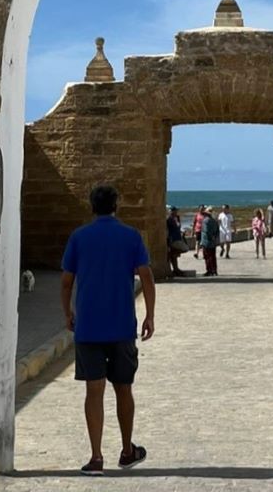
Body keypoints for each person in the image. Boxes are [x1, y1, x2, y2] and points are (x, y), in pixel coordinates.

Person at [61, 185, 155, 476]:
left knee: (94, 391)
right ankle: (127, 451)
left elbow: (66, 282)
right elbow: (147, 278)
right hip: (121, 326)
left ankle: (96, 457)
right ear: (117, 205)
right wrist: (149, 315)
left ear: (92, 206)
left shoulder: (79, 237)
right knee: (123, 389)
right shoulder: (130, 237)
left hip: (88, 328)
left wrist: (68, 313)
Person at [199, 206, 219, 276]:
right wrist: (214, 237)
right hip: (213, 242)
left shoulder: (205, 221)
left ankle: (209, 270)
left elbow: (206, 231)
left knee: (207, 256)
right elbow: (217, 231)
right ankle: (214, 270)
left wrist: (209, 238)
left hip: (206, 241)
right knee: (213, 256)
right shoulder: (214, 221)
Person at [165, 206, 184, 277]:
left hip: (177, 238)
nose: (176, 212)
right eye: (174, 211)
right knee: (171, 255)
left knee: (175, 254)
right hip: (172, 239)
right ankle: (172, 269)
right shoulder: (169, 219)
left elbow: (178, 227)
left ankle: (176, 269)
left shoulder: (177, 218)